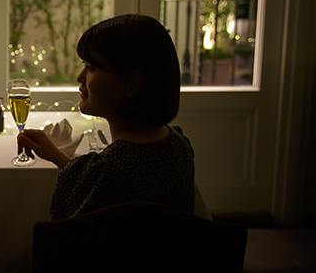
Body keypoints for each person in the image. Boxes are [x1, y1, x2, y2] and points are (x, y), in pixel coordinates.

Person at [17, 14, 195, 220]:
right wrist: (56, 155)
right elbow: (101, 184)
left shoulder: (110, 171)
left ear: (133, 84)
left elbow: (64, 236)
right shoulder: (179, 145)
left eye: (91, 68)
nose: (80, 77)